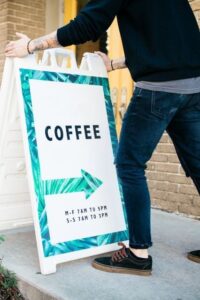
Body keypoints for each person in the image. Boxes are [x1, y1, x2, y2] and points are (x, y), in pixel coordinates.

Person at [5, 0, 200, 275]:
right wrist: (117, 63)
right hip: (194, 86)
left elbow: (86, 26)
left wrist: (31, 46)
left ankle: (138, 252)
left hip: (158, 90)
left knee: (130, 165)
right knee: (197, 162)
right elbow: (169, 41)